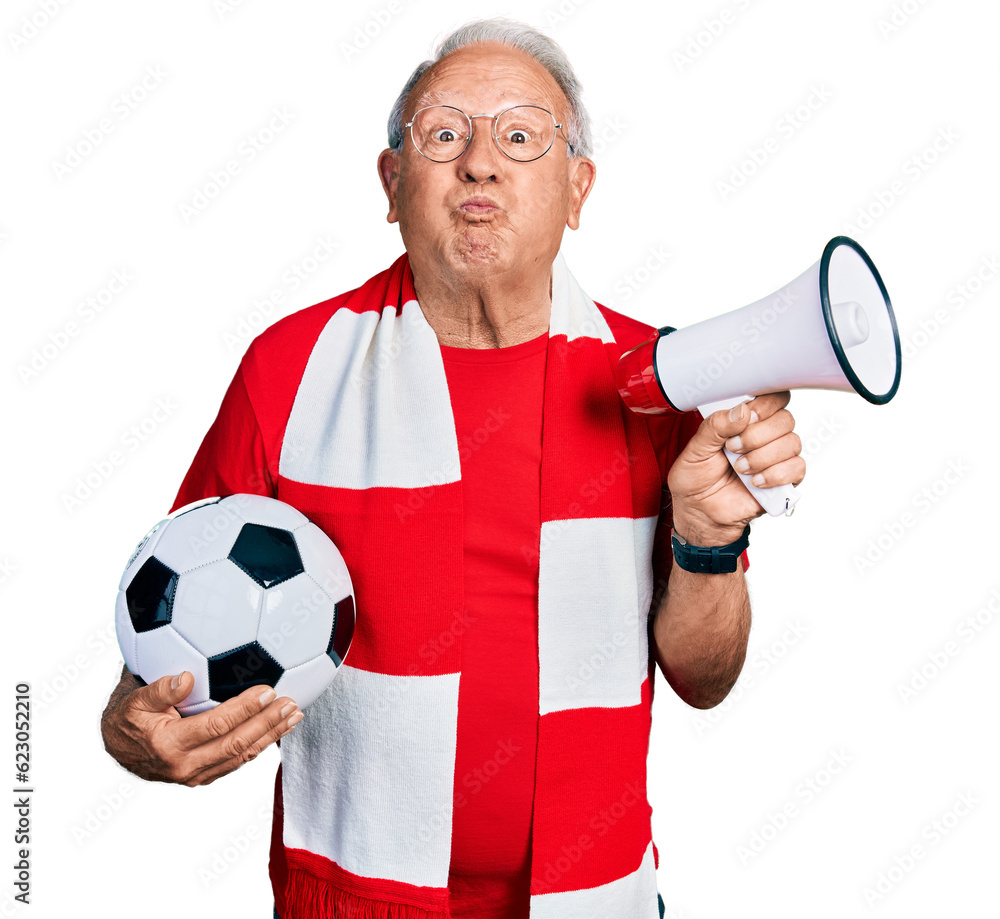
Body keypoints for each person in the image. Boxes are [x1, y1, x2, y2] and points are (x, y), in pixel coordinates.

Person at [101, 18, 804, 919]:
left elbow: (704, 679)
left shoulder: (654, 384)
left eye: (521, 135)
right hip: (350, 900)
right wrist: (130, 726)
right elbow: (171, 617)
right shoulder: (291, 369)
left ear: (577, 188)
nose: (480, 163)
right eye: (444, 134)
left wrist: (710, 541)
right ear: (392, 184)